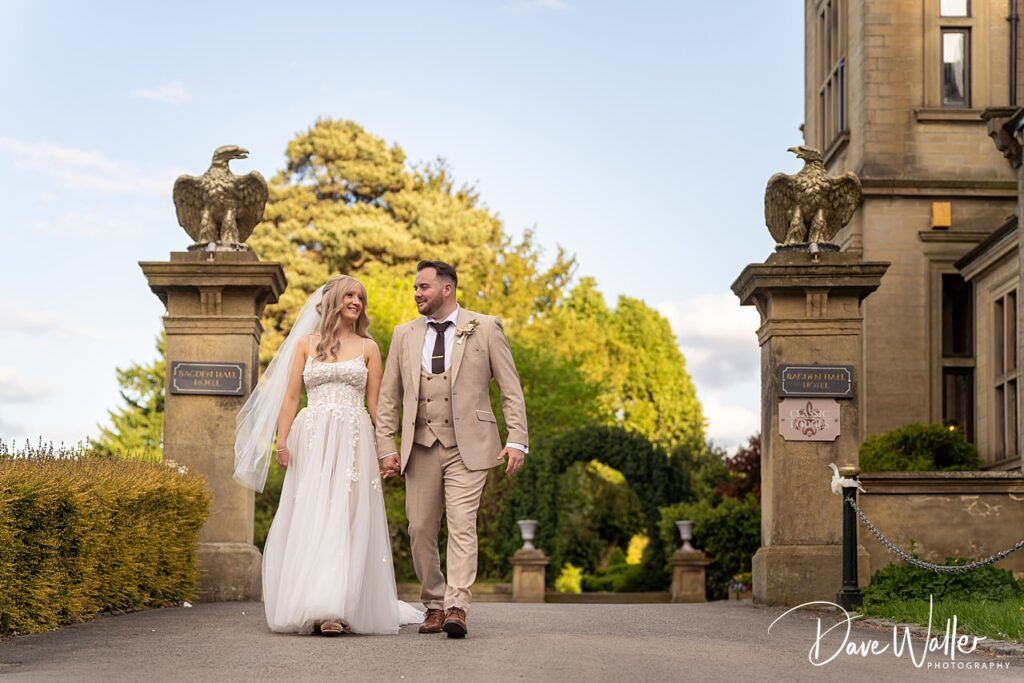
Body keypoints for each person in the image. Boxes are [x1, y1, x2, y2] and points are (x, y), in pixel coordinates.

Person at [233, 274, 423, 635]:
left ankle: (337, 608)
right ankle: (312, 603)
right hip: (313, 439)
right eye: (350, 295)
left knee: (346, 517)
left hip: (354, 441)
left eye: (361, 298)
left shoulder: (369, 348)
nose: (357, 302)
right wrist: (282, 441)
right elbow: (290, 397)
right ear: (334, 299)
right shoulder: (306, 344)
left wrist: (387, 451)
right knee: (314, 516)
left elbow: (379, 405)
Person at [376, 260, 529, 638]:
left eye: (423, 287)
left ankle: (456, 605)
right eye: (414, 288)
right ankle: (433, 603)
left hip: (471, 446)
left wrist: (517, 439)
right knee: (420, 529)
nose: (417, 294)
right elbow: (387, 399)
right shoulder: (403, 335)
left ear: (447, 288)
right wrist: (386, 447)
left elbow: (510, 389)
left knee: (462, 525)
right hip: (421, 444)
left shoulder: (486, 327)